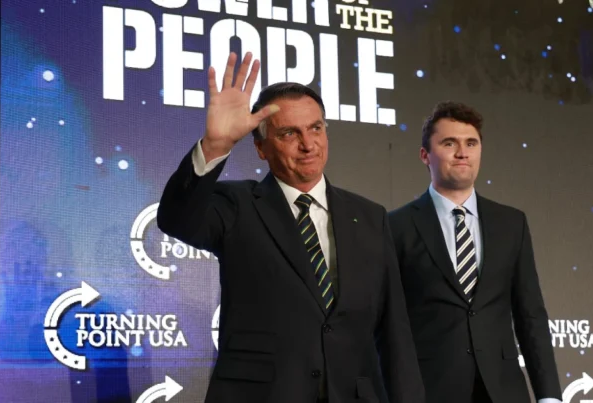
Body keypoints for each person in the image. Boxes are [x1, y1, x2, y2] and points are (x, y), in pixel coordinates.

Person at [156, 51, 425, 403]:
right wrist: (215, 146)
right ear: (261, 147)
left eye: (316, 128)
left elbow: (394, 334)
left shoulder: (370, 216)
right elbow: (176, 219)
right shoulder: (237, 205)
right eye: (289, 133)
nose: (308, 144)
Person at [387, 101, 562, 403]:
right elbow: (388, 323)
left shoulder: (511, 223)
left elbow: (530, 315)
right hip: (429, 390)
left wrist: (549, 396)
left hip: (504, 391)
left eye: (471, 143)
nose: (462, 153)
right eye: (449, 143)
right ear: (425, 155)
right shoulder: (395, 226)